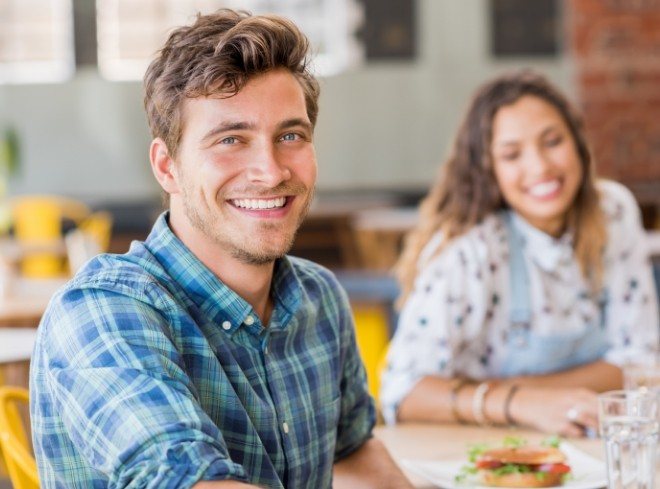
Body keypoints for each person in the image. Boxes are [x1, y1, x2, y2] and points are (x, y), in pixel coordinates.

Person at [30, 10, 413, 489]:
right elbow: (188, 481)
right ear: (167, 167)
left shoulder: (321, 298)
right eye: (231, 139)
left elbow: (352, 453)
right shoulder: (102, 312)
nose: (271, 171)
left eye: (290, 136)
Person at [380, 70, 659, 437]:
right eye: (512, 155)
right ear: (488, 169)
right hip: (483, 452)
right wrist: (521, 404)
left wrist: (528, 390)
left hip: (589, 447)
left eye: (553, 141)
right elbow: (401, 393)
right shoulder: (469, 250)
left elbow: (644, 363)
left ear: (577, 142)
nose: (541, 167)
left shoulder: (613, 212)